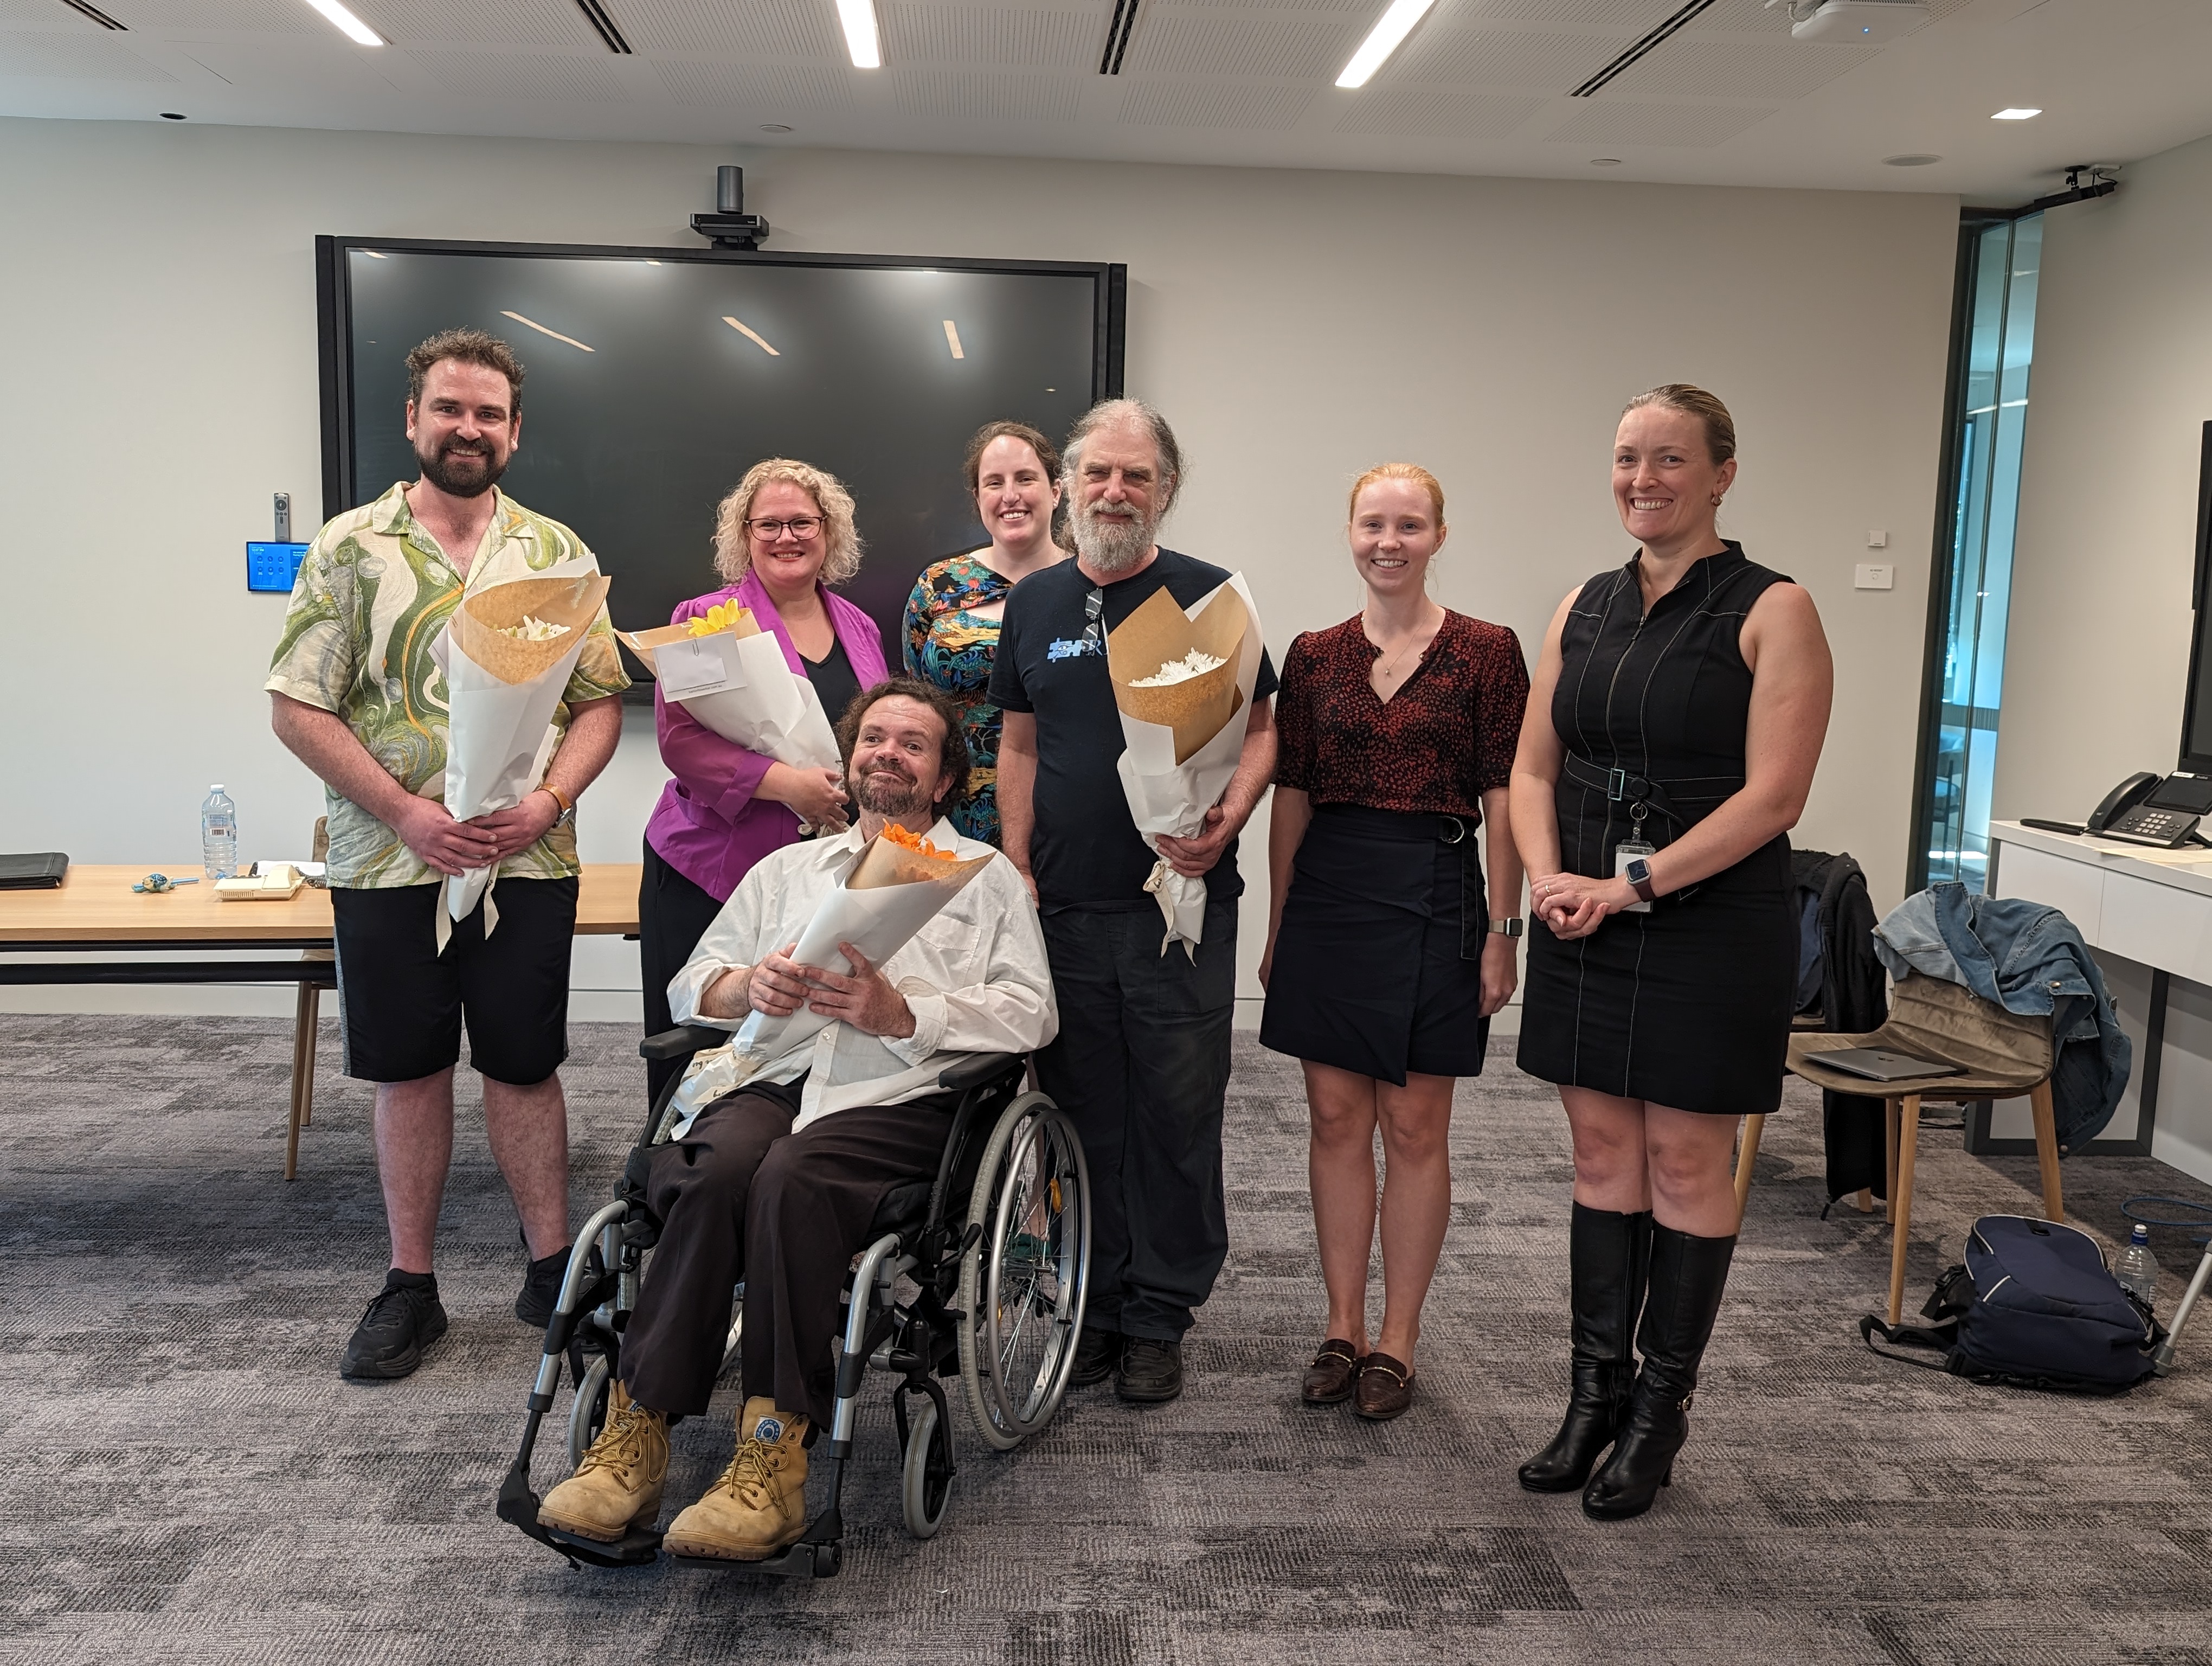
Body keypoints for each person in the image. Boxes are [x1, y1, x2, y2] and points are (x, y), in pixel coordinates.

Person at [535, 680, 1053, 1561]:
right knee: (709, 1171)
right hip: (775, 1073)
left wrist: (907, 1014)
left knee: (792, 1178)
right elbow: (695, 983)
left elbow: (1032, 1010)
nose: (888, 751)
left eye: (913, 743)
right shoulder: (784, 870)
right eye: (874, 738)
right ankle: (638, 1434)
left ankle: (774, 1458)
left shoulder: (986, 878)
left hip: (905, 1092)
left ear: (943, 780)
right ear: (851, 763)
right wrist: (748, 986)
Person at [265, 327, 629, 1381]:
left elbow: (602, 699)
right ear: (417, 418)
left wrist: (553, 797)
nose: (467, 428)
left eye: (488, 414)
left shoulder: (557, 555)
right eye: (449, 409)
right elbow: (297, 706)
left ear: (515, 432)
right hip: (389, 864)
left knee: (526, 1063)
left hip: (530, 863)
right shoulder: (348, 548)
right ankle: (411, 1286)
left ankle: (551, 1265)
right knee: (409, 1069)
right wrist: (402, 811)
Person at [1509, 385, 1832, 1520]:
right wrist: (1554, 878)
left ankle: (1658, 1416)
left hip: (1706, 920)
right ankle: (1593, 1398)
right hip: (1583, 910)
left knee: (1689, 1168)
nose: (1643, 479)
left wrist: (1629, 883)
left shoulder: (1773, 606)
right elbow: (1534, 770)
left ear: (1722, 474)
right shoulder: (1581, 607)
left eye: (1669, 460)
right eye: (1626, 459)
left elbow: (1776, 796)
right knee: (1603, 1164)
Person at [990, 398, 1278, 1405]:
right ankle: (1095, 1301)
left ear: (1166, 489)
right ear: (1069, 484)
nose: (1117, 492)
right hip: (1063, 908)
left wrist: (1227, 820)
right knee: (1081, 1111)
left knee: (1176, 1113)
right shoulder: (1030, 604)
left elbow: (1263, 732)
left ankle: (1159, 1311)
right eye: (1099, 474)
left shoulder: (1211, 599)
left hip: (1179, 910)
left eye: (1138, 476)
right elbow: (1017, 745)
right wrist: (1015, 865)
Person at [1259, 463, 1528, 1422]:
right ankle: (1341, 1324)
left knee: (1416, 1127)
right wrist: (1281, 919)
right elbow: (1292, 791)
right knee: (1335, 1121)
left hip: (1436, 896)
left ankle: (1399, 1338)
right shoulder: (1313, 653)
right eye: (1373, 523)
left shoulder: (1489, 651)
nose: (1389, 540)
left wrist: (1505, 929)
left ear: (1438, 536)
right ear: (1350, 532)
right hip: (1332, 893)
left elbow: (1506, 796)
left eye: (1409, 524)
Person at [638, 459, 887, 1109]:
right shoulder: (705, 619)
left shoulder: (860, 628)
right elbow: (680, 740)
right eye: (768, 524)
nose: (786, 537)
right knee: (701, 1028)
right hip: (710, 868)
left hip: (818, 871)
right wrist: (786, 785)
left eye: (801, 522)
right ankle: (674, 1182)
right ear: (744, 534)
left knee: (791, 1030)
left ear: (828, 530)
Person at [902, 421, 1069, 845]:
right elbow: (918, 703)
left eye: (1026, 479)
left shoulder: (1089, 585)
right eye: (993, 483)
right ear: (978, 499)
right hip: (953, 814)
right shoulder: (938, 587)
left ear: (1056, 490)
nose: (1009, 495)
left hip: (1063, 812)